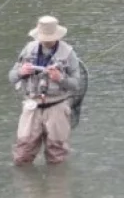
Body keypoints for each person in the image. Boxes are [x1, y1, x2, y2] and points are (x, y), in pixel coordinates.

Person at [7, 15, 81, 165]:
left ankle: (57, 186)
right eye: (44, 38)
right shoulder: (28, 49)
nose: (47, 41)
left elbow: (76, 84)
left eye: (50, 38)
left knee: (57, 154)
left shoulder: (68, 53)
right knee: (22, 153)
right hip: (32, 105)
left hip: (57, 106)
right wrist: (22, 72)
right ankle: (27, 185)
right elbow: (12, 77)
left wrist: (60, 78)